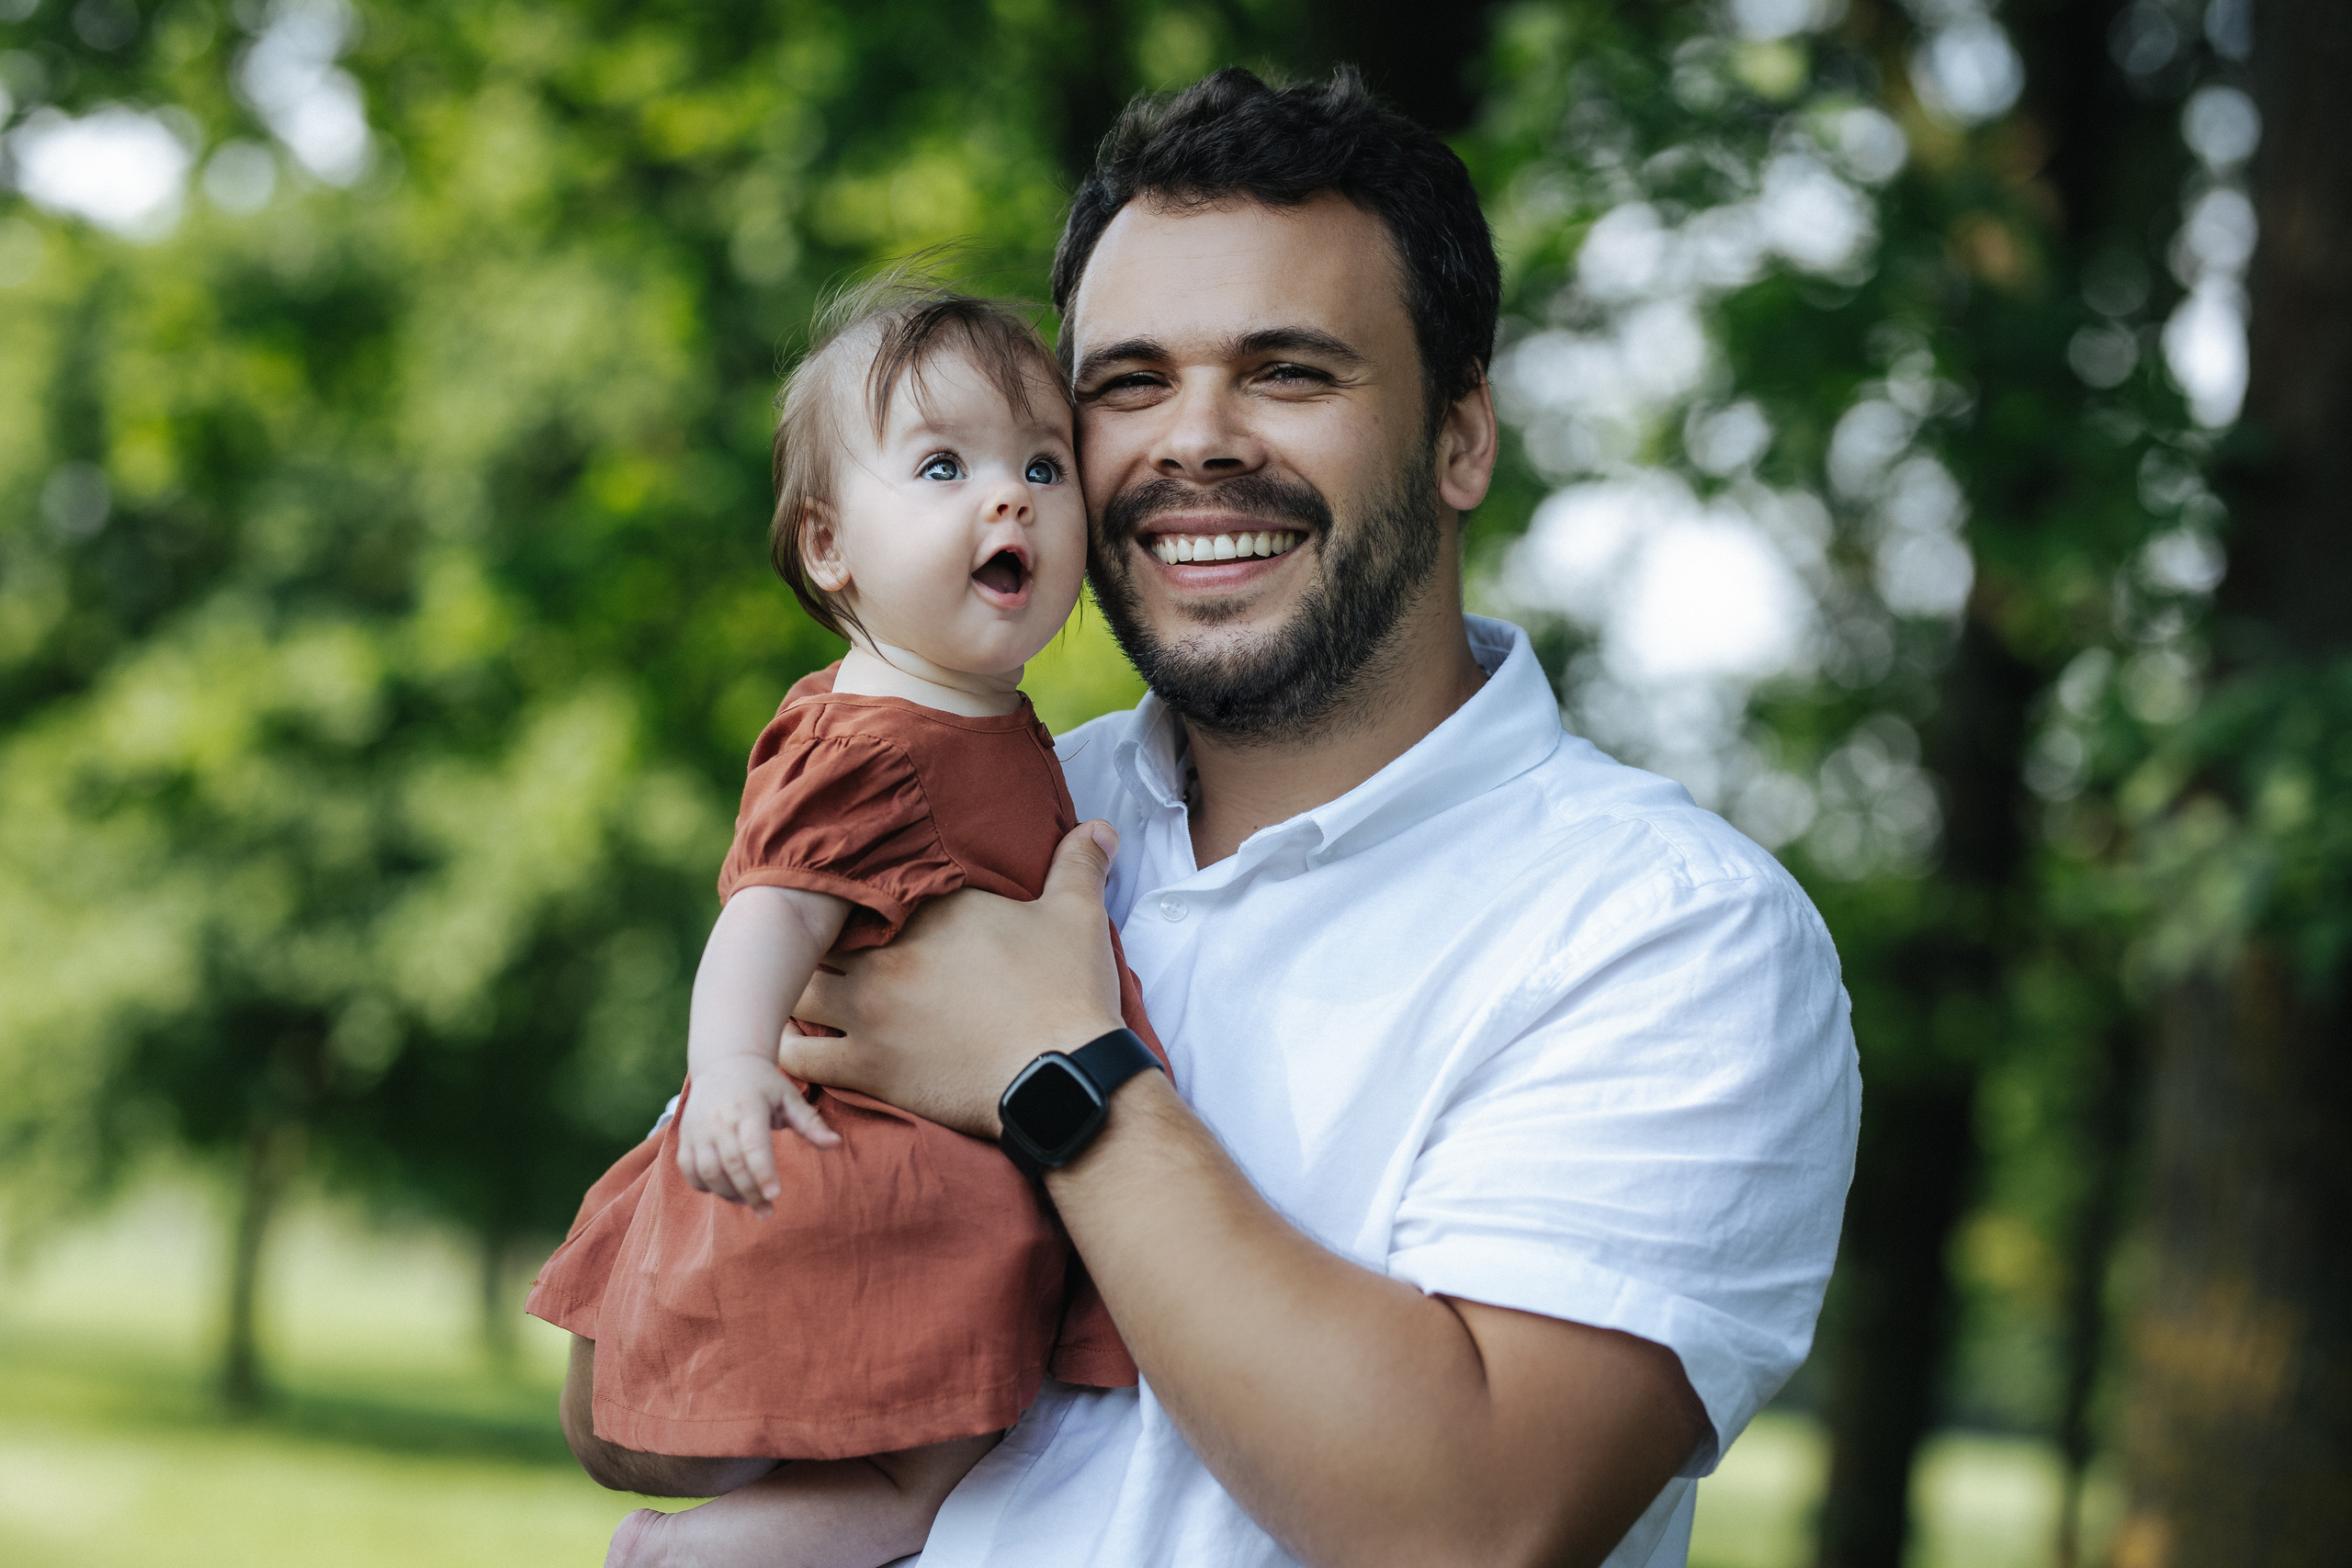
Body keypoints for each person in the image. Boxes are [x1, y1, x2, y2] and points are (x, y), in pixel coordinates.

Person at [766, 67, 1862, 1568]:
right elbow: (634, 1388)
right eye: (1128, 385)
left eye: (1288, 373)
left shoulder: (1674, 936)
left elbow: (1472, 1525)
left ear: (1460, 438)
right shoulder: (955, 812)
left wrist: (1054, 1076)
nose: (1196, 440)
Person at [526, 278, 1170, 1568]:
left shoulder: (974, 717)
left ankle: (698, 1550)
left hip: (938, 1165)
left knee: (926, 1471)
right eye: (943, 467)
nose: (1010, 498)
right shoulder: (871, 739)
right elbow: (767, 912)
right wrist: (729, 1068)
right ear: (830, 547)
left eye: (1044, 466)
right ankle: (677, 1553)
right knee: (924, 1468)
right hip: (878, 1177)